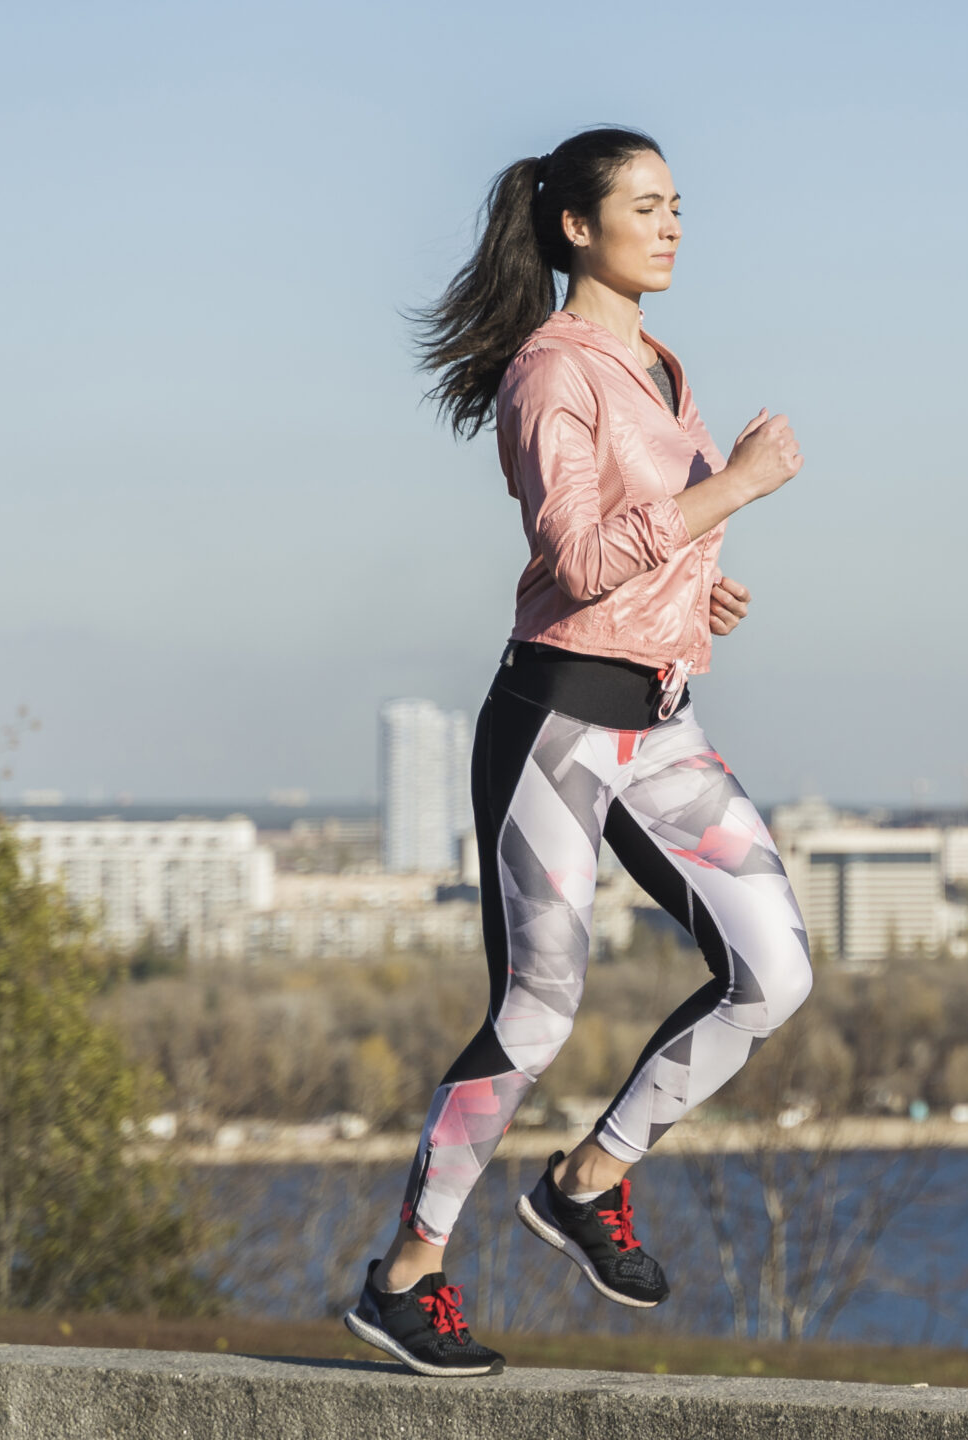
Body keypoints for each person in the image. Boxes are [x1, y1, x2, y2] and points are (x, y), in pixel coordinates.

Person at [341, 126, 813, 1378]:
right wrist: (737, 491)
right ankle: (405, 1278)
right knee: (538, 1011)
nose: (670, 225)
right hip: (554, 723)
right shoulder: (552, 371)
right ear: (574, 228)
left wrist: (697, 590)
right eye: (645, 206)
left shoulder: (658, 362)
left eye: (677, 205)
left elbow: (640, 557)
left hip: (659, 725)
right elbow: (575, 558)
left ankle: (587, 1182)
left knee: (774, 972)